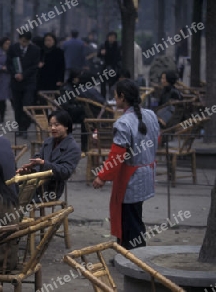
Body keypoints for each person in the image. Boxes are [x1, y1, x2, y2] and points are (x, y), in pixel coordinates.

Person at [92, 79, 159, 250]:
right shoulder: (150, 115)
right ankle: (126, 252)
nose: (115, 99)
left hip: (131, 178)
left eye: (116, 96)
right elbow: (157, 139)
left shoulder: (123, 123)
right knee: (133, 216)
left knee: (130, 220)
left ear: (122, 97)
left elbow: (117, 155)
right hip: (147, 172)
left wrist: (102, 177)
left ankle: (135, 256)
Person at [17, 110, 81, 200]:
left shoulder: (73, 147)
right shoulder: (48, 141)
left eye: (57, 125)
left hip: (51, 190)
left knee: (14, 197)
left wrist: (43, 163)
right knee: (10, 188)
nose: (53, 128)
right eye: (51, 125)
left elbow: (65, 172)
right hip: (36, 184)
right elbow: (39, 157)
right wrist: (30, 168)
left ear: (66, 126)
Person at [6, 31, 41, 139]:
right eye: (22, 41)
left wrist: (23, 75)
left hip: (29, 82)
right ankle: (20, 127)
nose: (23, 43)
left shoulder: (35, 50)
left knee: (27, 104)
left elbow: (35, 66)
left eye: (26, 42)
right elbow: (8, 63)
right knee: (17, 105)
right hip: (16, 82)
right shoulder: (13, 48)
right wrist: (15, 74)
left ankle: (25, 127)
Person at [37, 33, 65, 105]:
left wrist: (60, 80)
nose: (48, 42)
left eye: (50, 40)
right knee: (42, 100)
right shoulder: (41, 52)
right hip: (42, 80)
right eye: (46, 40)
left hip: (54, 79)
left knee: (55, 101)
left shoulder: (59, 52)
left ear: (54, 41)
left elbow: (62, 67)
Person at [98, 32, 121, 99]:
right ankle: (102, 98)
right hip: (104, 67)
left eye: (113, 37)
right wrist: (101, 53)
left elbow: (119, 57)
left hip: (114, 67)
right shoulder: (103, 45)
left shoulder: (117, 46)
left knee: (112, 84)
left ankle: (111, 98)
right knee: (103, 84)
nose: (112, 39)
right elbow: (98, 54)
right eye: (110, 37)